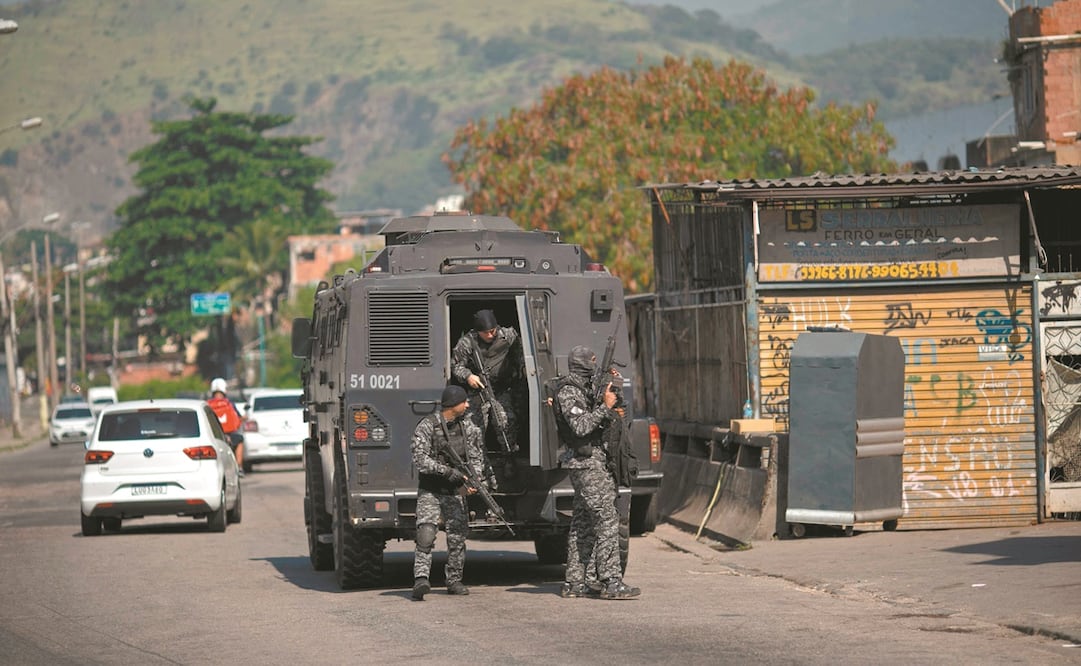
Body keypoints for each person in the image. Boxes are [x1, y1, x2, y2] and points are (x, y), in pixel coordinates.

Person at [551, 345, 641, 600]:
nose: (593, 362)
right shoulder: (568, 391)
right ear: (581, 364)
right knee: (607, 520)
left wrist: (613, 386)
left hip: (592, 463)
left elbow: (614, 406)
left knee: (582, 525)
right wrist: (604, 406)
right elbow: (581, 426)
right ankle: (611, 581)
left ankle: (576, 582)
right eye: (590, 360)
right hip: (586, 464)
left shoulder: (584, 388)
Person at [410, 384, 492, 600]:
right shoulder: (427, 426)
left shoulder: (469, 428)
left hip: (456, 492)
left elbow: (475, 458)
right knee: (426, 534)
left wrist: (475, 482)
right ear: (453, 404)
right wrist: (447, 472)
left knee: (457, 538)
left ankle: (454, 580)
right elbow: (420, 460)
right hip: (431, 489)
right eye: (464, 401)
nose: (467, 405)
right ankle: (421, 579)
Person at [450, 309, 524, 452]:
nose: (491, 335)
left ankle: (509, 457)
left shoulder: (508, 335)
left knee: (506, 423)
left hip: (503, 389)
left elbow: (520, 355)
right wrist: (468, 376)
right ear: (478, 332)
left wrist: (521, 371)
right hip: (479, 390)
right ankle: (478, 461)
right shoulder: (467, 342)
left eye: (493, 330)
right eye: (486, 333)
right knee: (474, 427)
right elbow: (455, 365)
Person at [207, 377, 245, 476]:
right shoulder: (229, 403)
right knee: (240, 440)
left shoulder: (207, 405)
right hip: (229, 434)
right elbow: (238, 419)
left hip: (214, 437)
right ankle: (239, 467)